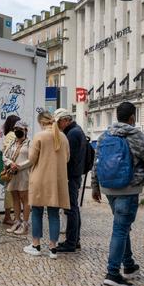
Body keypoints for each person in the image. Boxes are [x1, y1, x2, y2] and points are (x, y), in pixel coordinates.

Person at [92, 102, 144, 286]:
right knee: (121, 228)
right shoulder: (137, 136)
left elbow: (97, 162)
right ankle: (113, 273)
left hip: (108, 188)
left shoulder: (104, 135)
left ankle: (129, 265)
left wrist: (95, 186)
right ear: (132, 118)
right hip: (129, 188)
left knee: (122, 226)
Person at [23, 111, 70, 257]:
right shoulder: (63, 137)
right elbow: (67, 158)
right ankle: (53, 248)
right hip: (57, 180)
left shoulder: (40, 136)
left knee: (37, 212)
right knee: (54, 214)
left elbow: (31, 159)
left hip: (40, 179)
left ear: (41, 123)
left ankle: (36, 245)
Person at [54, 108, 87, 253]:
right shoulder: (77, 130)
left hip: (71, 176)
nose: (58, 125)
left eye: (59, 122)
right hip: (75, 175)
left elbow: (67, 159)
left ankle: (71, 242)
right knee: (73, 209)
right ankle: (74, 240)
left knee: (71, 209)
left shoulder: (72, 134)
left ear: (66, 120)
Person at [2, 120, 31, 235]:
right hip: (12, 174)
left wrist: (19, 166)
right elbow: (4, 155)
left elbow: (32, 159)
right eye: (15, 129)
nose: (17, 131)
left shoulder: (30, 143)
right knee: (15, 197)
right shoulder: (12, 143)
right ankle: (17, 221)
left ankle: (25, 223)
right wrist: (10, 163)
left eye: (20, 129)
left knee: (25, 199)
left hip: (24, 174)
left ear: (25, 130)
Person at [1, 115, 20, 226]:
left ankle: (12, 216)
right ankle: (7, 217)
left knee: (12, 193)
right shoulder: (12, 135)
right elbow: (9, 151)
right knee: (10, 193)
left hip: (12, 167)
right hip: (12, 168)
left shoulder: (10, 134)